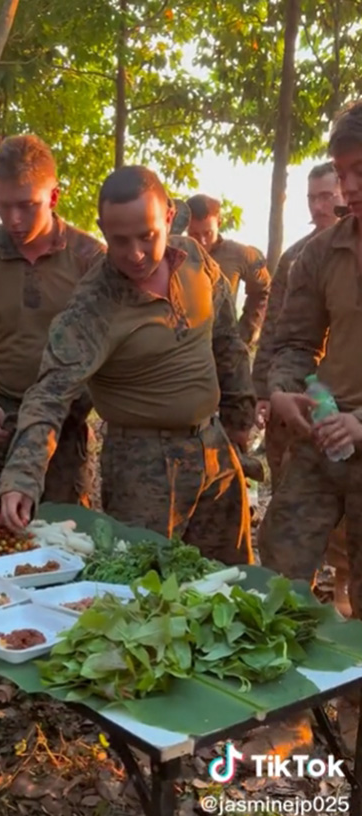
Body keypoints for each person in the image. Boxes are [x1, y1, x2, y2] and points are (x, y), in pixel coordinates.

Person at [0, 165, 255, 567]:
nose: (134, 253)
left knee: (231, 582)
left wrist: (239, 417)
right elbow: (49, 394)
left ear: (168, 217)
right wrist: (21, 479)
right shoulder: (93, 306)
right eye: (119, 241)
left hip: (215, 451)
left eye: (147, 236)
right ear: (102, 230)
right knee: (145, 587)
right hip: (144, 467)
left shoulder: (195, 261)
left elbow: (226, 339)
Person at [0, 134, 104, 503]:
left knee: (62, 533)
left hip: (63, 432)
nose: (13, 219)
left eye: (27, 206)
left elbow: (110, 349)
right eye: (4, 206)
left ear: (53, 197)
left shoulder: (91, 260)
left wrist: (75, 405)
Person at [259, 100, 362, 622]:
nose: (348, 188)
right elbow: (295, 342)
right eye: (342, 174)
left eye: (359, 171)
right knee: (278, 576)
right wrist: (284, 391)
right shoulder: (320, 253)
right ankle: (287, 677)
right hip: (323, 436)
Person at [253, 162, 345, 488]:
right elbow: (274, 327)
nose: (318, 206)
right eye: (311, 198)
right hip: (295, 385)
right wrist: (264, 390)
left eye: (326, 196)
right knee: (288, 480)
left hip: (342, 391)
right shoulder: (295, 257)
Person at [186, 193, 271, 348]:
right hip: (185, 345)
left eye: (208, 233)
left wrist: (247, 330)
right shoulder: (174, 255)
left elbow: (263, 290)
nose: (202, 241)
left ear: (219, 223)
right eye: (194, 234)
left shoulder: (239, 254)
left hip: (224, 346)